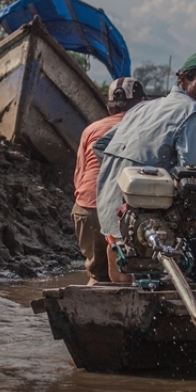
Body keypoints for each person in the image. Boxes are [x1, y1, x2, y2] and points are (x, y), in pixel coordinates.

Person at [94, 52, 196, 288]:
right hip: (146, 221)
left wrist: (131, 174)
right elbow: (192, 176)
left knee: (126, 287)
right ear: (183, 80)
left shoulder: (141, 109)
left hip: (110, 216)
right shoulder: (193, 110)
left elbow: (100, 146)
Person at [72, 77, 147, 284]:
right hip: (122, 213)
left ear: (108, 107)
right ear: (142, 104)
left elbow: (79, 176)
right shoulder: (144, 129)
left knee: (98, 273)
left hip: (86, 207)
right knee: (129, 273)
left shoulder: (91, 130)